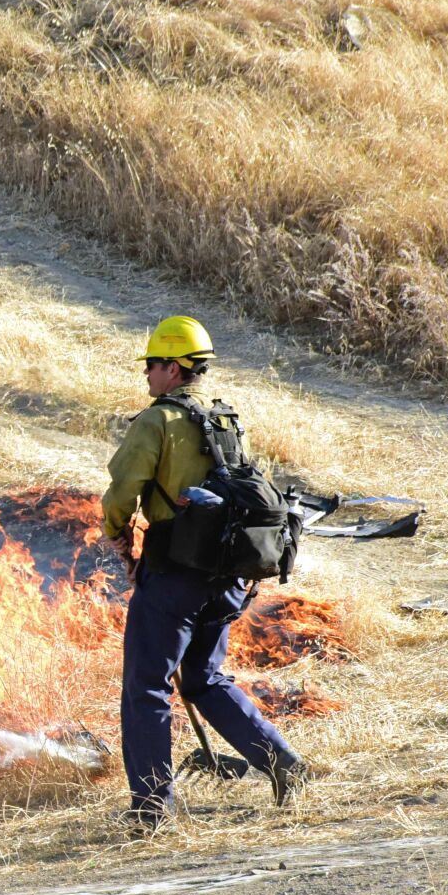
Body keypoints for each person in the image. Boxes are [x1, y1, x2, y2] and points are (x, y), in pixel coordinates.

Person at [102, 316, 309, 831]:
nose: (147, 374)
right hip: (227, 576)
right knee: (203, 677)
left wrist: (118, 536)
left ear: (173, 367)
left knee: (147, 685)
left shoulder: (158, 422)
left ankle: (151, 809)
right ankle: (282, 761)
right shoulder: (222, 419)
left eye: (152, 364)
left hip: (175, 573)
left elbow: (121, 491)